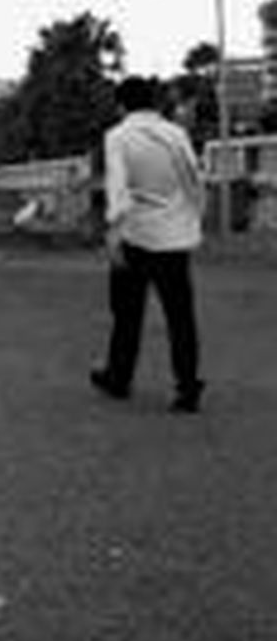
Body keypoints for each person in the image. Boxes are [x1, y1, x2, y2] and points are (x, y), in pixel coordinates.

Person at [90, 76, 206, 413]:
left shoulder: (118, 136)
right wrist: (192, 220)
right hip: (174, 238)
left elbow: (118, 187)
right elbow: (193, 181)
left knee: (127, 313)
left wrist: (114, 230)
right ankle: (188, 388)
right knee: (180, 316)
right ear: (153, 103)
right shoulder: (175, 133)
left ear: (121, 105)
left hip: (135, 235)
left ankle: (119, 378)